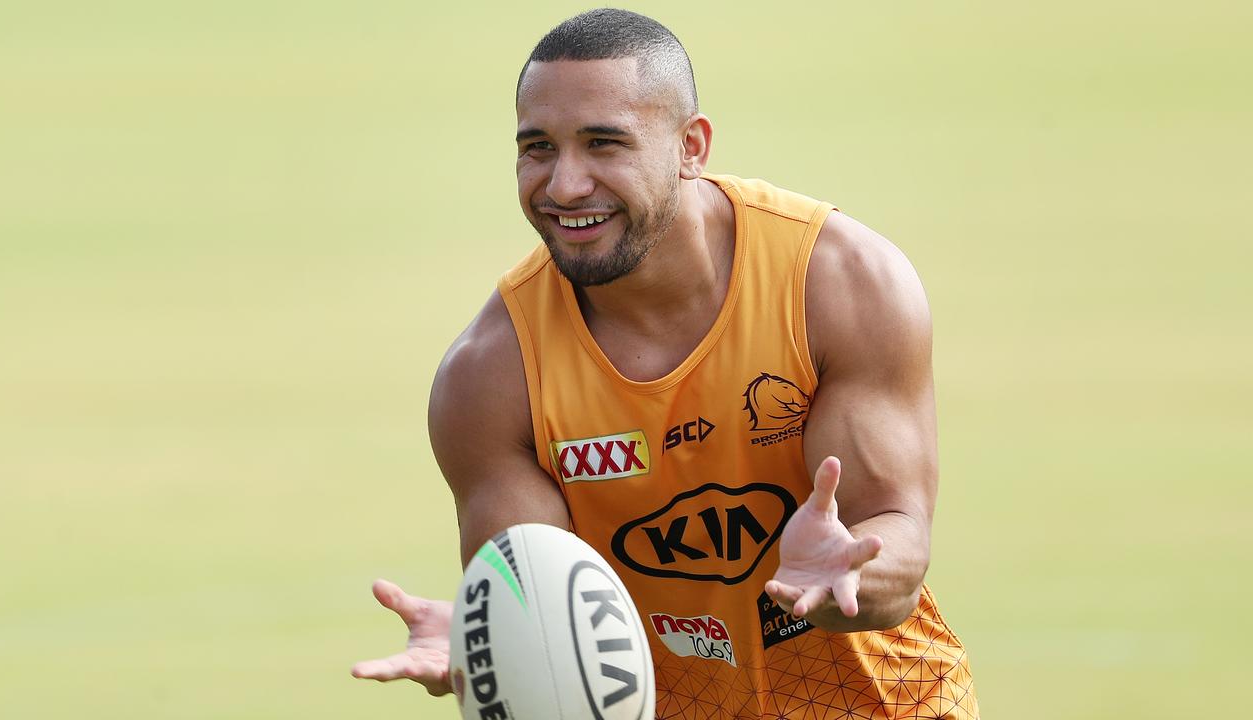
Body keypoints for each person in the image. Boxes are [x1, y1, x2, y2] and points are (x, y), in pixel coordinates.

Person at [353, 8, 977, 719]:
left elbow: (897, 539)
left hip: (882, 705)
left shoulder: (839, 284)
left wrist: (846, 571)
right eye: (537, 148)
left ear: (691, 146)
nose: (563, 185)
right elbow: (544, 616)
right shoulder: (490, 378)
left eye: (603, 144)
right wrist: (494, 639)